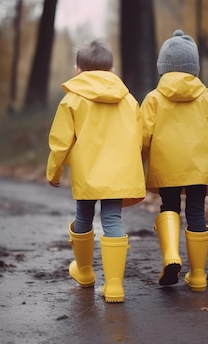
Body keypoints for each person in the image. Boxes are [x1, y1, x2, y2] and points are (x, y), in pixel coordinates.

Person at [46, 39, 145, 303]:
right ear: (112, 71)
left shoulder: (72, 100)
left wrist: (53, 172)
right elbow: (139, 138)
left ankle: (85, 272)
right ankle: (114, 286)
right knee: (112, 219)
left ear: (78, 70)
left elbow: (60, 142)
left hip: (88, 174)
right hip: (118, 174)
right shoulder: (129, 100)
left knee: (84, 217)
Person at [141, 30, 208, 292]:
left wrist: (140, 162)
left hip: (165, 166)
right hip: (200, 169)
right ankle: (199, 276)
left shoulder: (153, 99)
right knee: (196, 211)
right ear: (194, 67)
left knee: (169, 206)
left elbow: (142, 136)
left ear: (163, 67)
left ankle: (171, 256)